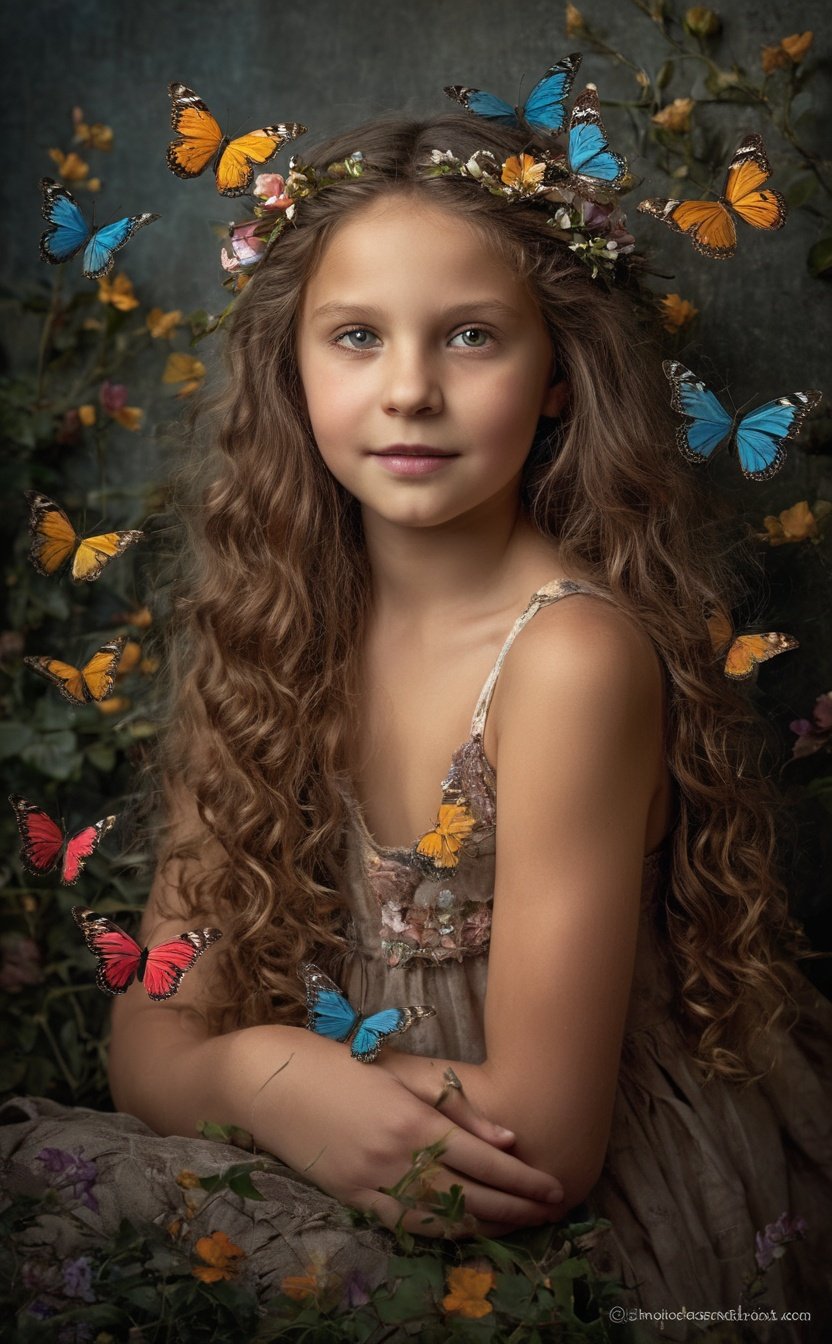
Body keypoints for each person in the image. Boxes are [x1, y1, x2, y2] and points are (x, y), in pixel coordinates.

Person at [4, 109, 831, 1340]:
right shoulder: (273, 636)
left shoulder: (569, 659)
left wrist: (245, 1072)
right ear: (291, 369)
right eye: (354, 337)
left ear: (557, 376)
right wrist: (265, 1079)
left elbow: (540, 1141)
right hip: (331, 1140)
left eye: (472, 337)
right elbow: (152, 1042)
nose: (408, 389)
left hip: (569, 1222)